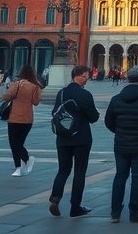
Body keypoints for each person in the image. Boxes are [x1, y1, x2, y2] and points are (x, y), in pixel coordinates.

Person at [105, 66, 138, 223]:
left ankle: (115, 213)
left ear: (127, 79)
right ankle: (135, 213)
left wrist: (119, 131)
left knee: (120, 177)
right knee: (137, 178)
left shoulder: (115, 99)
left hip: (121, 145)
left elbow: (108, 122)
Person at [49, 65, 99, 218]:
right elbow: (94, 117)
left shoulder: (62, 93)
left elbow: (55, 112)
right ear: (80, 76)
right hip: (81, 138)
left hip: (63, 137)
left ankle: (55, 198)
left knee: (63, 169)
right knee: (79, 172)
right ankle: (75, 207)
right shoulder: (84, 94)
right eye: (86, 76)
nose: (87, 79)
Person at [3, 64, 42, 177]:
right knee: (19, 143)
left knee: (13, 144)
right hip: (27, 119)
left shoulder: (17, 84)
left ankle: (21, 165)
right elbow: (36, 102)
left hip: (14, 118)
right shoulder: (35, 86)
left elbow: (6, 97)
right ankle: (23, 163)